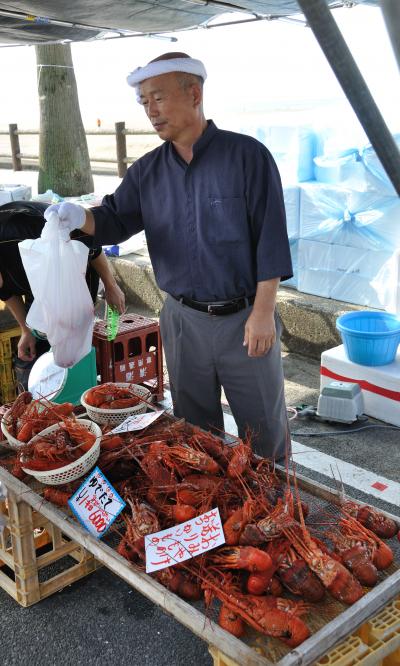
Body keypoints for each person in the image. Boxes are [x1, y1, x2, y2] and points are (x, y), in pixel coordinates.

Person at [45, 52, 293, 460]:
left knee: (263, 432)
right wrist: (79, 216)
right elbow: (113, 219)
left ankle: (280, 514)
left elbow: (271, 236)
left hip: (245, 319)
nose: (150, 111)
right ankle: (215, 518)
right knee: (196, 434)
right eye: (144, 102)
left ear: (193, 93)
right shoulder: (147, 171)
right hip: (181, 320)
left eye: (157, 98)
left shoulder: (247, 156)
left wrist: (264, 311)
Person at [0, 200, 125, 386]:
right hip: (38, 283)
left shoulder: (18, 231)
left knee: (73, 338)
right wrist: (26, 330)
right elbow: (7, 293)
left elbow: (90, 242)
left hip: (71, 269)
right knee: (42, 343)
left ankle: (85, 386)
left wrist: (111, 285)